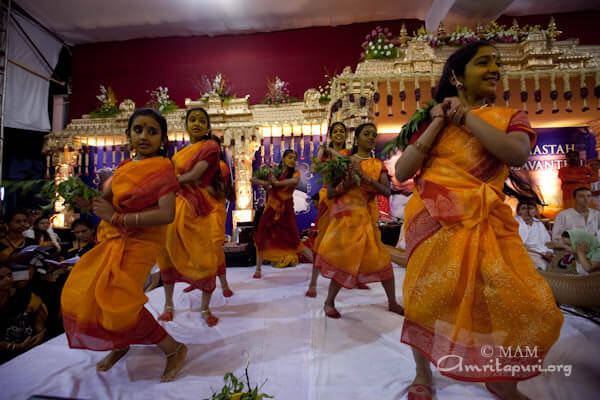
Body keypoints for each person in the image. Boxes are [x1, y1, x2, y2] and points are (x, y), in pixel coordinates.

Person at [394, 41, 562, 400]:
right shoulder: (432, 118)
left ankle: (501, 378)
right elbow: (405, 170)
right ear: (457, 75)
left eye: (497, 63)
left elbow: (515, 153)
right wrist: (438, 121)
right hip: (432, 221)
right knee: (425, 299)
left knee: (513, 300)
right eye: (484, 62)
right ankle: (422, 373)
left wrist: (466, 117)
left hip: (488, 221)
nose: (495, 69)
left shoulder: (508, 117)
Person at [61, 108, 187, 382]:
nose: (144, 136)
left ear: (163, 139)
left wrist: (117, 216)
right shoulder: (124, 168)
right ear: (128, 135)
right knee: (91, 294)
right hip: (113, 238)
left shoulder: (163, 169)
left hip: (141, 242)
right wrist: (84, 200)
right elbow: (104, 201)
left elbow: (167, 214)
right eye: (138, 129)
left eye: (152, 131)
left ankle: (174, 348)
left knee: (121, 301)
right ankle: (119, 342)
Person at [314, 123, 404, 318]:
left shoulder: (378, 165)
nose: (371, 137)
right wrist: (348, 182)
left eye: (373, 134)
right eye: (366, 134)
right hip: (345, 221)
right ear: (357, 139)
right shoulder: (343, 162)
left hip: (366, 220)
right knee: (343, 262)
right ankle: (329, 302)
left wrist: (365, 178)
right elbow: (330, 192)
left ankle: (392, 303)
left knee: (383, 260)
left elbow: (387, 192)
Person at [157, 107, 226, 327]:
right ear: (186, 125)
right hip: (173, 207)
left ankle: (205, 308)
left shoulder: (210, 146)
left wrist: (169, 182)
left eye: (202, 121)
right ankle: (169, 305)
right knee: (166, 254)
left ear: (208, 127)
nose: (197, 124)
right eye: (192, 120)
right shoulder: (179, 153)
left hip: (197, 206)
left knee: (203, 257)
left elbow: (196, 175)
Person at [306, 122, 354, 297]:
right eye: (336, 131)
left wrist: (330, 151)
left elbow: (347, 162)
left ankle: (351, 277)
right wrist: (321, 151)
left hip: (346, 198)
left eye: (342, 131)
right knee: (321, 242)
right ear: (331, 135)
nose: (339, 133)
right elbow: (313, 169)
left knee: (348, 241)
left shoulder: (348, 153)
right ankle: (313, 283)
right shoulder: (326, 154)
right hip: (328, 199)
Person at [252, 149, 313, 277]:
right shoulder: (276, 172)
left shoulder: (295, 174)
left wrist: (277, 183)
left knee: (295, 241)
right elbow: (263, 184)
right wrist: (263, 182)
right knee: (262, 236)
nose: (292, 160)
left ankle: (317, 265)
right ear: (284, 159)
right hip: (271, 209)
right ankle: (258, 269)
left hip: (286, 211)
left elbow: (294, 182)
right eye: (289, 157)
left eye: (294, 158)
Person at [0, 265, 48, 364]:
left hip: (32, 343)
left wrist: (41, 332)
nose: (8, 279)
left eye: (9, 275)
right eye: (1, 278)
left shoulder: (24, 293)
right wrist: (15, 347)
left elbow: (38, 312)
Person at [515, 201, 552, 270]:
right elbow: (516, 245)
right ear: (518, 211)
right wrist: (540, 254)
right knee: (541, 265)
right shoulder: (514, 223)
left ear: (535, 210)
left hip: (542, 253)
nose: (527, 211)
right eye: (523, 208)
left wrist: (549, 251)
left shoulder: (539, 223)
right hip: (523, 253)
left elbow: (547, 241)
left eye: (530, 208)